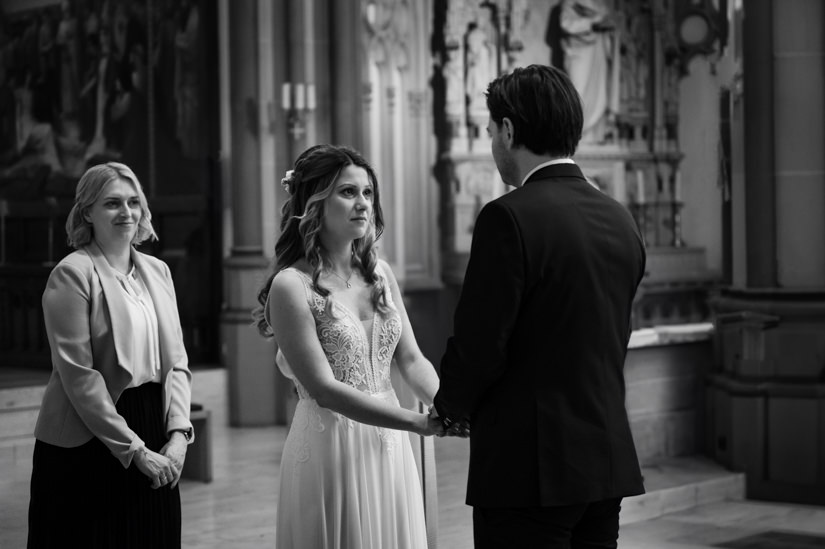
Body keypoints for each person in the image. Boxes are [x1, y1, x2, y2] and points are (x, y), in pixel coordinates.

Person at [432, 64, 646, 548]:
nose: (492, 147)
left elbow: (481, 343)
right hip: (604, 459)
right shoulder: (621, 219)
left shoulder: (507, 217)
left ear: (509, 130)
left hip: (529, 468)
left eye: (491, 132)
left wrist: (448, 408)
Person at [252, 144, 445, 549]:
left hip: (390, 448)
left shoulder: (380, 274)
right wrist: (414, 422)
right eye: (347, 192)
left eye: (368, 193)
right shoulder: (291, 285)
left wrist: (448, 404)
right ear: (315, 203)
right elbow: (323, 389)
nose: (363, 204)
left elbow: (410, 358)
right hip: (331, 447)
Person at [28, 162, 194, 549]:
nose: (127, 213)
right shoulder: (72, 274)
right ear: (87, 211)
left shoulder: (159, 270)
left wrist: (179, 434)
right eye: (112, 203)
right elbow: (79, 377)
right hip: (91, 436)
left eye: (134, 202)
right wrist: (134, 450)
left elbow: (178, 362)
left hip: (154, 419)